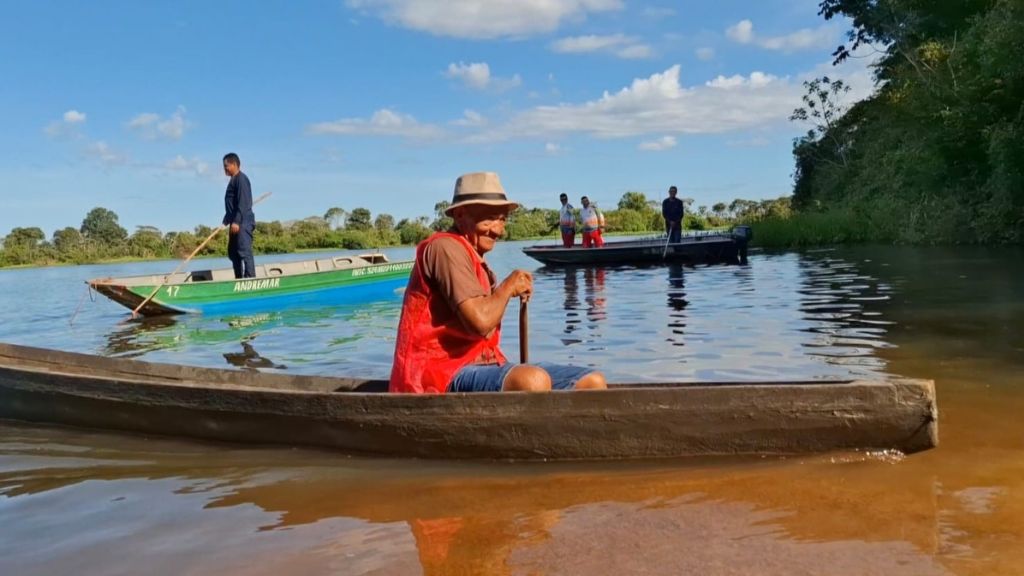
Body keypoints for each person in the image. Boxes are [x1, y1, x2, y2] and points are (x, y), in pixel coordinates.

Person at [389, 171, 608, 394]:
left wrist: (507, 289)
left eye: (502, 219)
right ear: (460, 214)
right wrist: (507, 287)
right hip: (437, 374)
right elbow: (481, 322)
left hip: (483, 364)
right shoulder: (445, 248)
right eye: (489, 218)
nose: (497, 229)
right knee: (533, 381)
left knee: (592, 381)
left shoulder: (473, 255)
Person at [222, 152, 255, 279]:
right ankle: (239, 279)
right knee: (233, 253)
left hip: (243, 222)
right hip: (234, 222)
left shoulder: (241, 179)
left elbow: (242, 203)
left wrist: (236, 221)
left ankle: (250, 279)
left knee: (244, 251)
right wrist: (226, 220)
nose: (224, 169)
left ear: (234, 164)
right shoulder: (233, 181)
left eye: (226, 166)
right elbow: (232, 205)